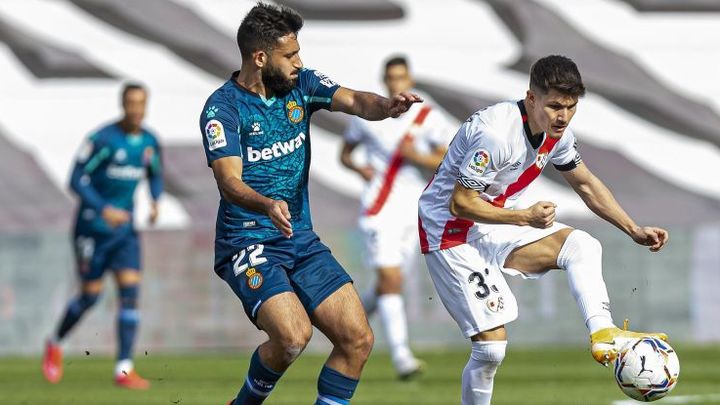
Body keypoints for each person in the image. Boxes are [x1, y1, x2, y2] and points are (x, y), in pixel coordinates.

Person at [198, 3, 422, 405]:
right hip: (248, 241)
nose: (299, 62)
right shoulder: (223, 109)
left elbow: (355, 100)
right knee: (292, 337)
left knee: (357, 339)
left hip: (299, 238)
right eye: (290, 55)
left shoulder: (302, 84)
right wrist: (267, 204)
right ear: (260, 57)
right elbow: (228, 181)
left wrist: (387, 108)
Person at [417, 55, 669, 405]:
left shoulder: (557, 134)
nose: (563, 116)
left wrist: (633, 229)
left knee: (581, 245)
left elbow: (585, 184)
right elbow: (459, 204)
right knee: (491, 349)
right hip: (449, 231)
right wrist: (525, 218)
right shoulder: (495, 134)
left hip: (495, 220)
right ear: (531, 98)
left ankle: (603, 333)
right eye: (554, 106)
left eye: (570, 106)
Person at [339, 55, 455, 379]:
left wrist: (416, 156)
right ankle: (402, 357)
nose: (396, 83)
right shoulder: (369, 115)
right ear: (384, 80)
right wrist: (358, 168)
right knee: (390, 280)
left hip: (413, 208)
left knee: (392, 282)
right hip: (379, 207)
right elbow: (345, 153)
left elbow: (447, 159)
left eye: (401, 77)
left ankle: (348, 323)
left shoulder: (428, 115)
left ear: (410, 79)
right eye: (391, 77)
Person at [42, 83, 163, 390]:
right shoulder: (102, 140)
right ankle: (55, 342)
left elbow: (155, 175)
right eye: (131, 103)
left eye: (141, 103)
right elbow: (75, 179)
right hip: (92, 230)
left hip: (125, 233)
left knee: (130, 293)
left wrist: (155, 201)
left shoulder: (149, 142)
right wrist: (103, 208)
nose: (136, 109)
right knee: (90, 296)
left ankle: (124, 369)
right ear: (123, 104)